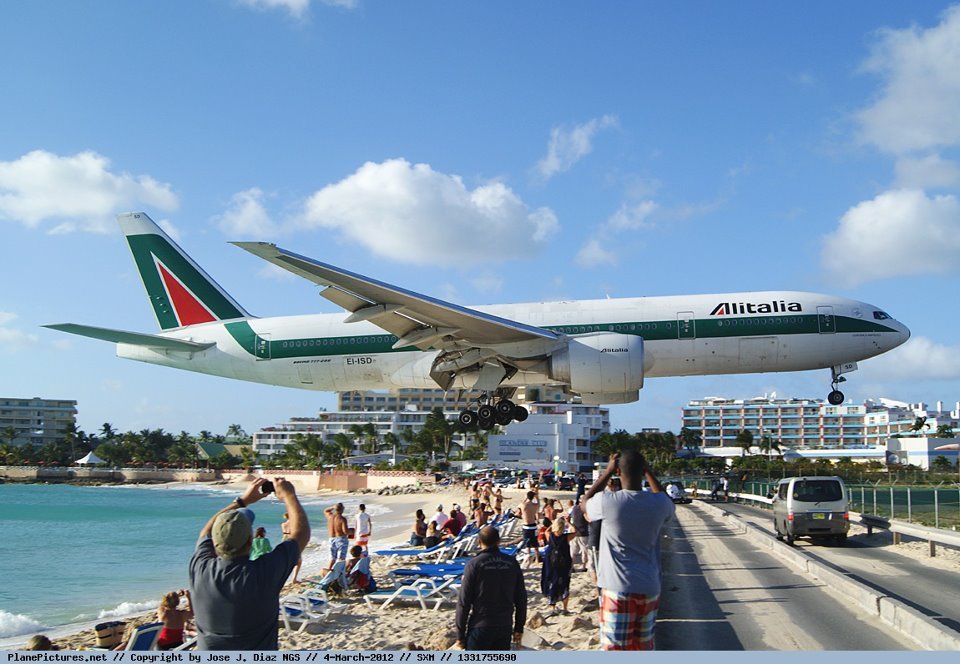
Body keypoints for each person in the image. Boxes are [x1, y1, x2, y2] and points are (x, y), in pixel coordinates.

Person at [189, 477, 309, 650]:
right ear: (250, 541)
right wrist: (289, 495)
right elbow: (301, 534)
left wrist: (242, 501)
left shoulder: (200, 567)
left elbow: (205, 532)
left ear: (215, 542)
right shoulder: (263, 573)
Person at [585, 452, 674, 651]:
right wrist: (648, 472)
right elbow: (666, 500)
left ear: (618, 472)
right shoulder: (658, 504)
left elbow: (585, 502)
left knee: (615, 649)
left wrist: (607, 472)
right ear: (643, 472)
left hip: (617, 588)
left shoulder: (608, 502)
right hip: (649, 586)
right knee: (643, 648)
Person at [455, 526, 527, 651]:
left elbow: (463, 602)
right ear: (499, 541)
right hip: (504, 625)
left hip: (481, 625)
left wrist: (460, 635)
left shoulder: (474, 564)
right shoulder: (511, 563)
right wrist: (518, 628)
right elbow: (521, 598)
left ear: (479, 542)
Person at [540, 516, 576, 614]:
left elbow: (547, 530)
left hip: (551, 562)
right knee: (564, 583)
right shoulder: (566, 537)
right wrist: (568, 522)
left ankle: (553, 607)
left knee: (552, 582)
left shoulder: (549, 535)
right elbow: (575, 531)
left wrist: (553, 524)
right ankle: (565, 608)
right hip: (563, 562)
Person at [324, 502, 350, 571]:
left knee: (332, 558)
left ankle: (328, 571)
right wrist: (352, 531)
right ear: (342, 509)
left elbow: (326, 510)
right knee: (341, 558)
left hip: (331, 539)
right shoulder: (342, 519)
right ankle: (339, 573)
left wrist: (332, 507)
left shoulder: (330, 516)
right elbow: (345, 531)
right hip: (341, 539)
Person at [517, 491, 540, 566]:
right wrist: (536, 497)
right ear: (533, 497)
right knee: (535, 544)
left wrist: (526, 498)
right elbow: (538, 503)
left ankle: (528, 557)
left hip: (526, 526)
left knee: (527, 544)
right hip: (533, 526)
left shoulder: (523, 505)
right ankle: (537, 559)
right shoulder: (535, 505)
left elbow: (519, 505)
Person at [569, 495, 590, 571]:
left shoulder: (574, 508)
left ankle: (572, 567)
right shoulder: (584, 510)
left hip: (574, 531)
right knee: (584, 551)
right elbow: (588, 520)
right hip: (583, 532)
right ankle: (583, 566)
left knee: (573, 552)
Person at [281, 511, 302, 583]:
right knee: (299, 560)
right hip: (291, 538)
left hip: (284, 539)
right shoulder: (293, 523)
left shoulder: (283, 524)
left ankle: (282, 577)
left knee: (285, 559)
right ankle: (294, 578)